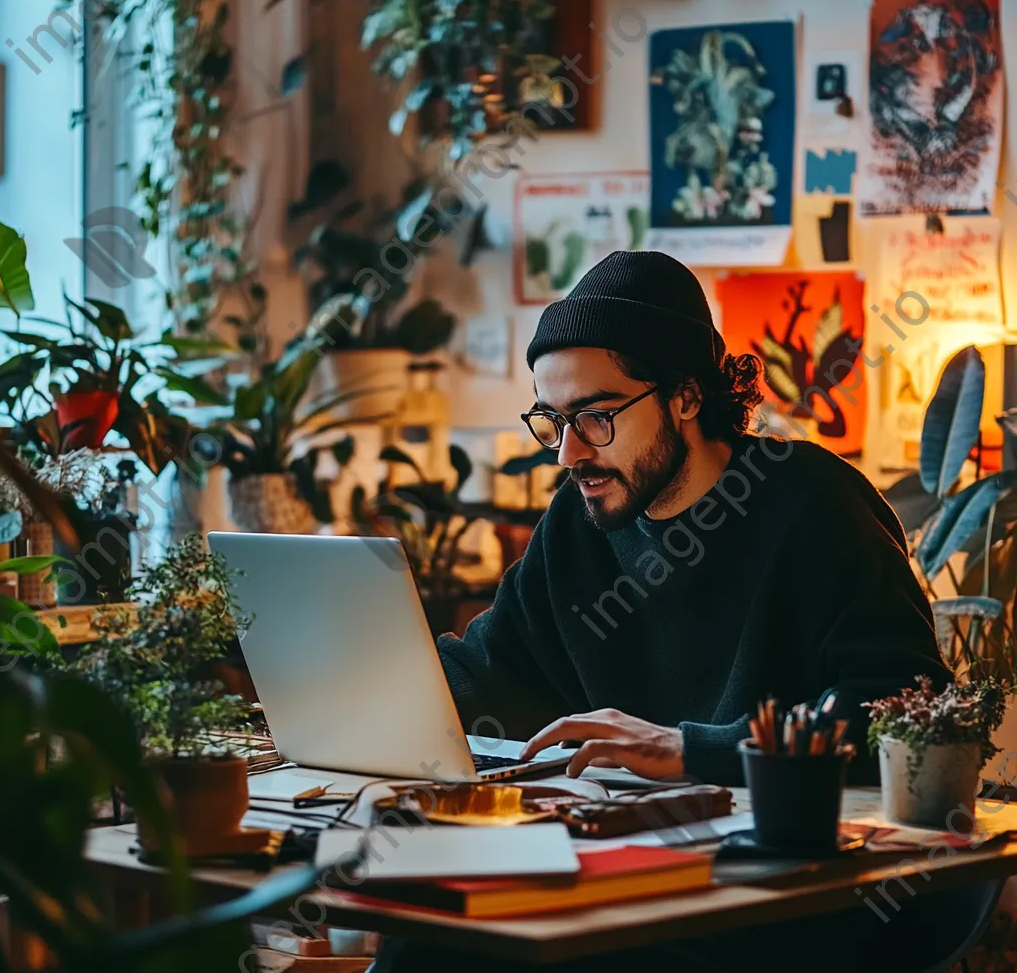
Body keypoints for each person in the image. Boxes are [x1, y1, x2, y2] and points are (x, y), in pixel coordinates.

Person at [371, 251, 959, 972]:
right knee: (426, 944)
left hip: (792, 890)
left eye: (595, 417)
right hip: (639, 871)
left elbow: (906, 710)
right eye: (552, 420)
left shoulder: (813, 505)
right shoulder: (578, 524)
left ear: (685, 395)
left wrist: (687, 749)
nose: (568, 451)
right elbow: (488, 669)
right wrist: (335, 693)